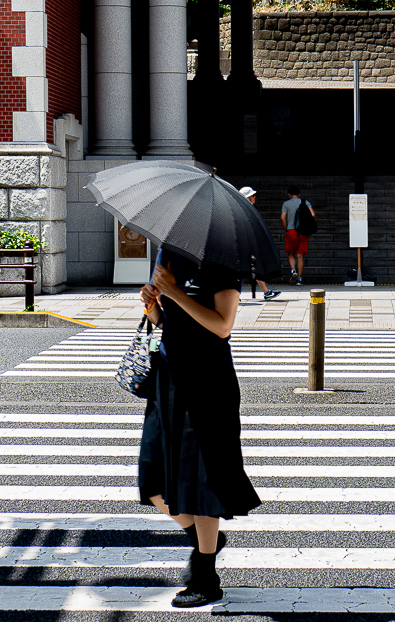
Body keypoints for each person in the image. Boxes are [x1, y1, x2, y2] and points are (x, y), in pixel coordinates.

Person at [138, 248, 261, 607]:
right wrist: (151, 304)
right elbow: (168, 322)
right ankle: (205, 539)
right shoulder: (166, 256)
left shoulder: (223, 262)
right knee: (152, 481)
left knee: (200, 481)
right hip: (169, 381)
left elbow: (222, 325)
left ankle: (206, 577)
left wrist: (174, 291)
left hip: (209, 385)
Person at [239, 187, 279, 300]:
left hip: (247, 243)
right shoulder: (244, 209)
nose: (254, 197)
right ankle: (236, 294)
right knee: (246, 268)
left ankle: (265, 292)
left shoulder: (245, 208)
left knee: (253, 267)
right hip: (245, 243)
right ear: (247, 197)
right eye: (252, 196)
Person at [280, 186, 315, 284]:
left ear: (289, 194)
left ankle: (293, 271)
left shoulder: (286, 204)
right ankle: (299, 279)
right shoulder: (305, 202)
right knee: (300, 256)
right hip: (303, 232)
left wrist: (286, 230)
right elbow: (312, 214)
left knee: (291, 253)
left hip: (291, 231)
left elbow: (282, 218)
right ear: (299, 194)